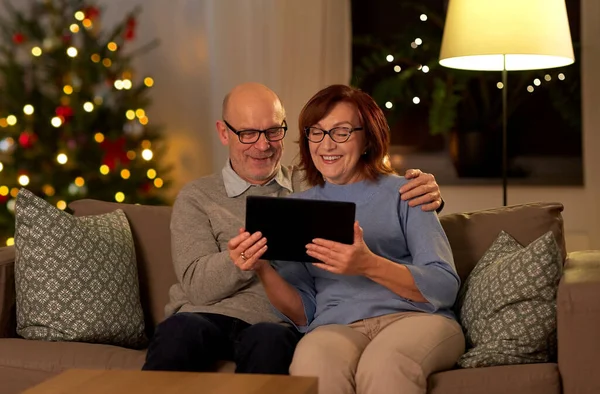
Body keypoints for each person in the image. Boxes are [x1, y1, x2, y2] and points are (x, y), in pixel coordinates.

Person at [142, 82, 445, 375]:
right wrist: (239, 262)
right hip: (203, 317)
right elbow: (197, 286)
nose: (263, 145)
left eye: (273, 131)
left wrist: (427, 192)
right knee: (179, 334)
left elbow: (368, 188)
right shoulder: (198, 196)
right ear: (224, 132)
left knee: (271, 343)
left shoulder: (314, 182)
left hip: (275, 325)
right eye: (248, 133)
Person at [229, 83, 464, 393]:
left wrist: (368, 264)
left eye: (341, 132)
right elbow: (303, 312)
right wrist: (261, 268)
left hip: (416, 320)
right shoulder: (297, 209)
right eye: (317, 132)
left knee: (383, 366)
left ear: (367, 138)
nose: (327, 145)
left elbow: (443, 286)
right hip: (335, 326)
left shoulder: (408, 192)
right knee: (310, 363)